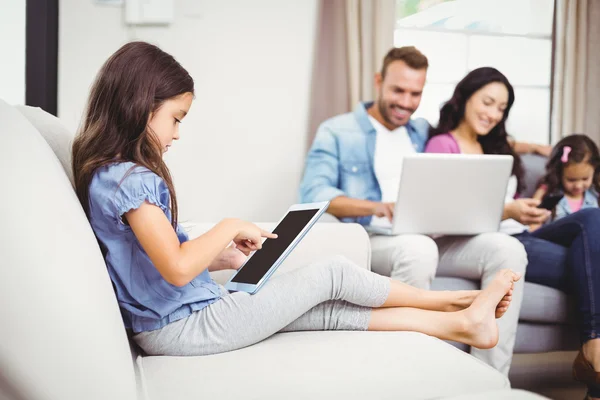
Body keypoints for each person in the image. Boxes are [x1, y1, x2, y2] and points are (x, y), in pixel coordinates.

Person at [70, 41, 519, 359]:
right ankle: (458, 301)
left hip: (184, 318)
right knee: (334, 274)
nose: (177, 133)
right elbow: (175, 267)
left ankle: (462, 322)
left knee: (327, 310)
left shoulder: (115, 176)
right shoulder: (128, 180)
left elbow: (156, 264)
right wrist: (228, 225)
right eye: (176, 118)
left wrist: (220, 258)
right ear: (139, 105)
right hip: (184, 327)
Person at [299, 46, 527, 375]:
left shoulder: (420, 131)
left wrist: (544, 148)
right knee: (418, 248)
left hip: (433, 235)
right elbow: (313, 195)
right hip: (375, 236)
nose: (406, 102)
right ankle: (406, 374)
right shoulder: (338, 131)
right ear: (378, 81)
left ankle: (490, 378)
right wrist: (378, 207)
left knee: (508, 248)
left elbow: (471, 138)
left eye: (415, 93)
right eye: (398, 91)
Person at [425, 66, 600, 399]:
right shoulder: (441, 145)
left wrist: (537, 155)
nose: (493, 114)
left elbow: (517, 154)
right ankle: (594, 361)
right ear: (465, 97)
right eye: (487, 102)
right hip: (494, 242)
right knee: (591, 260)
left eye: (501, 109)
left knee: (591, 219)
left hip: (524, 232)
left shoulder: (496, 145)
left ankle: (593, 347)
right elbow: (441, 211)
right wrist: (506, 210)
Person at [531, 134, 600, 228]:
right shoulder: (549, 193)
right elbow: (533, 220)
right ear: (558, 174)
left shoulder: (595, 193)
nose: (578, 186)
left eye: (585, 179)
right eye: (571, 180)